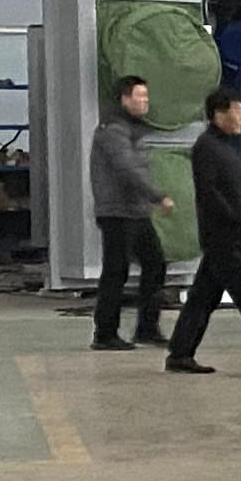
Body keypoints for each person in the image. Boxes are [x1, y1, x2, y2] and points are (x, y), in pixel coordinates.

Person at [165, 86, 241, 374]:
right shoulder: (206, 147)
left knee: (202, 298)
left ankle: (180, 352)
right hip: (223, 239)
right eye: (237, 112)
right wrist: (234, 222)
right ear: (219, 114)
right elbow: (210, 194)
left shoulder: (225, 148)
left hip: (231, 238)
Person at [87, 72, 173, 350]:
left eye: (146, 96)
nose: (145, 101)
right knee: (116, 272)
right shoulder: (113, 130)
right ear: (124, 99)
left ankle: (147, 328)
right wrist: (158, 196)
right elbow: (127, 168)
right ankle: (105, 333)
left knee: (155, 264)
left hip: (136, 211)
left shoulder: (132, 128)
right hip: (117, 212)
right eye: (140, 96)